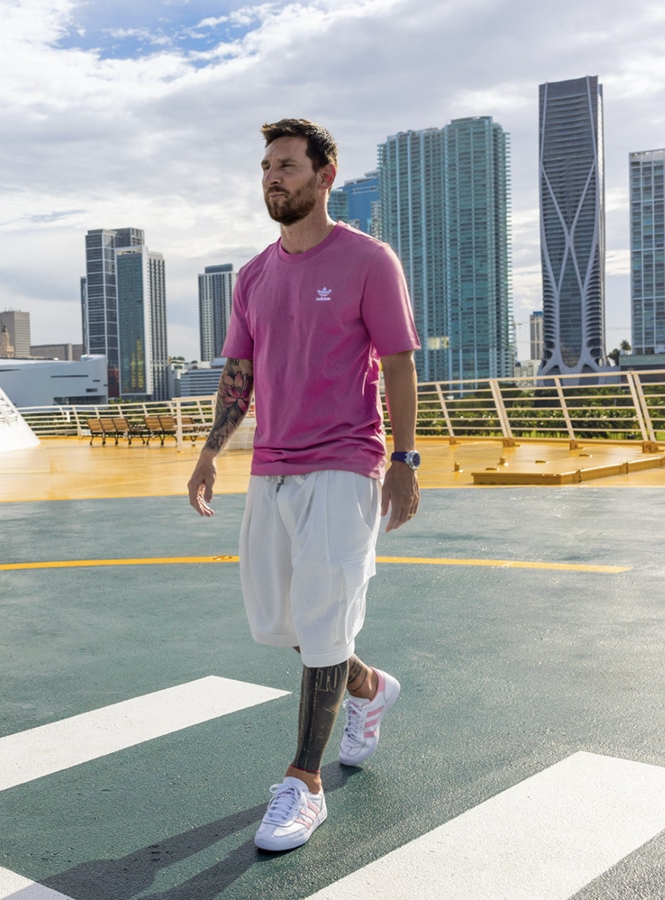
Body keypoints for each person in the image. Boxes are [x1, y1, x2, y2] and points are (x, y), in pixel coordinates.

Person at [186, 118, 421, 852]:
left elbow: (398, 363)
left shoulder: (367, 261)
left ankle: (304, 783)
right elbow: (239, 375)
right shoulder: (254, 276)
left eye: (286, 166)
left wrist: (407, 461)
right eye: (265, 168)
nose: (272, 179)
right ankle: (369, 687)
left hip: (347, 462)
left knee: (321, 619)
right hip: (272, 468)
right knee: (283, 625)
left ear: (325, 175)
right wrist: (209, 451)